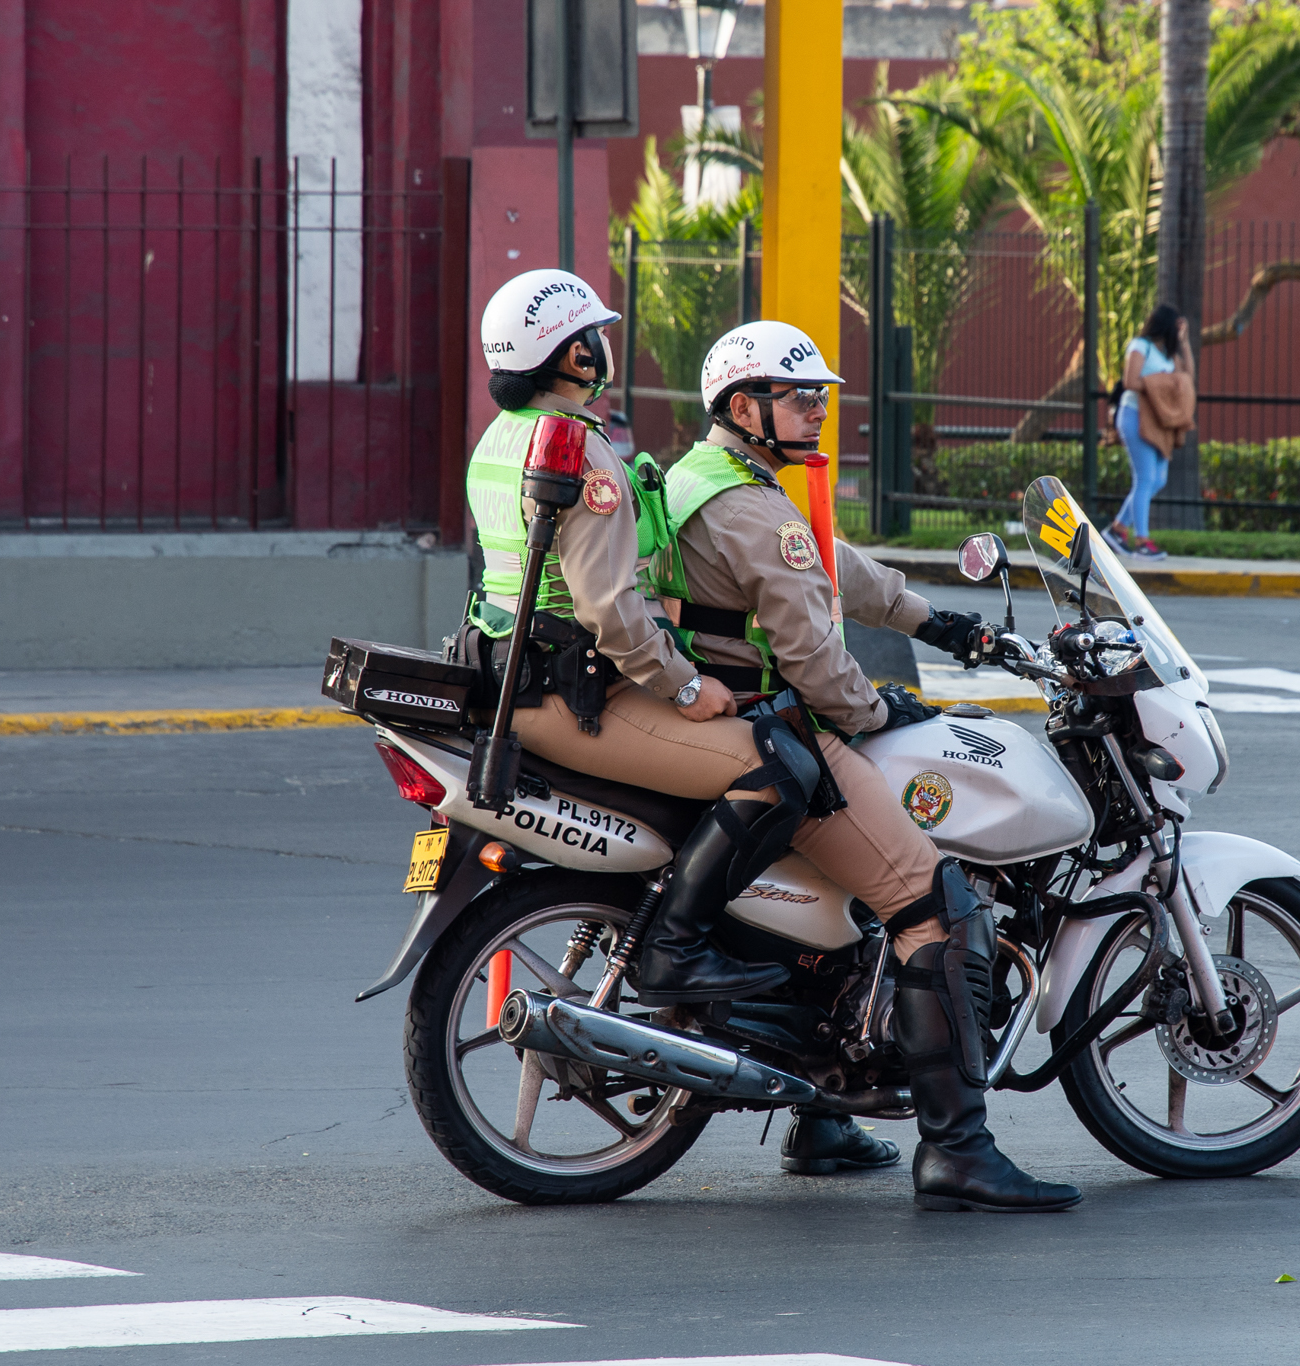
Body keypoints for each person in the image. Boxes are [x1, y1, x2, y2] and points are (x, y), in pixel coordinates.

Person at [467, 272, 894, 1179]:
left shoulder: (496, 440)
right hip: (580, 689)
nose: (603, 346)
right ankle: (677, 949)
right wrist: (685, 683)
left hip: (517, 673)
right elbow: (607, 606)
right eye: (594, 335)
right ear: (574, 353)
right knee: (780, 766)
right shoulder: (582, 447)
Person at [655, 319, 1084, 1214]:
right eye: (799, 395)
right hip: (780, 724)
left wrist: (945, 625)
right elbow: (815, 658)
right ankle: (959, 1149)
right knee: (933, 906)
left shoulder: (711, 479)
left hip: (734, 714)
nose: (819, 409)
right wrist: (880, 708)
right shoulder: (751, 508)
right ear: (745, 407)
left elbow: (835, 569)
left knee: (851, 912)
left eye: (820, 394)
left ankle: (823, 1118)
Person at [1104, 304, 1193, 562]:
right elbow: (1130, 381)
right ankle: (1142, 541)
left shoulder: (1168, 355)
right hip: (1134, 416)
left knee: (1158, 480)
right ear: (1166, 326)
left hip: (1158, 421)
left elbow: (1187, 378)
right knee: (1144, 479)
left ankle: (1117, 530)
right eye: (1176, 327)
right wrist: (1161, 385)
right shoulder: (1140, 346)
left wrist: (1185, 343)